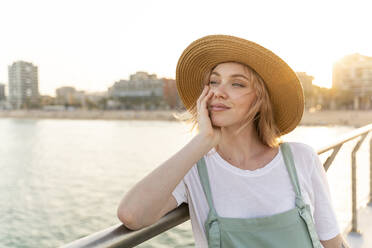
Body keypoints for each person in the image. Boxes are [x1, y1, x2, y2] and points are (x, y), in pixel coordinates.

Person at [117, 34, 350, 248]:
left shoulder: (301, 158)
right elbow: (132, 215)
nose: (218, 92)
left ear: (260, 99)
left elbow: (332, 243)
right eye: (214, 82)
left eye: (237, 83)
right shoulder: (194, 170)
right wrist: (202, 141)